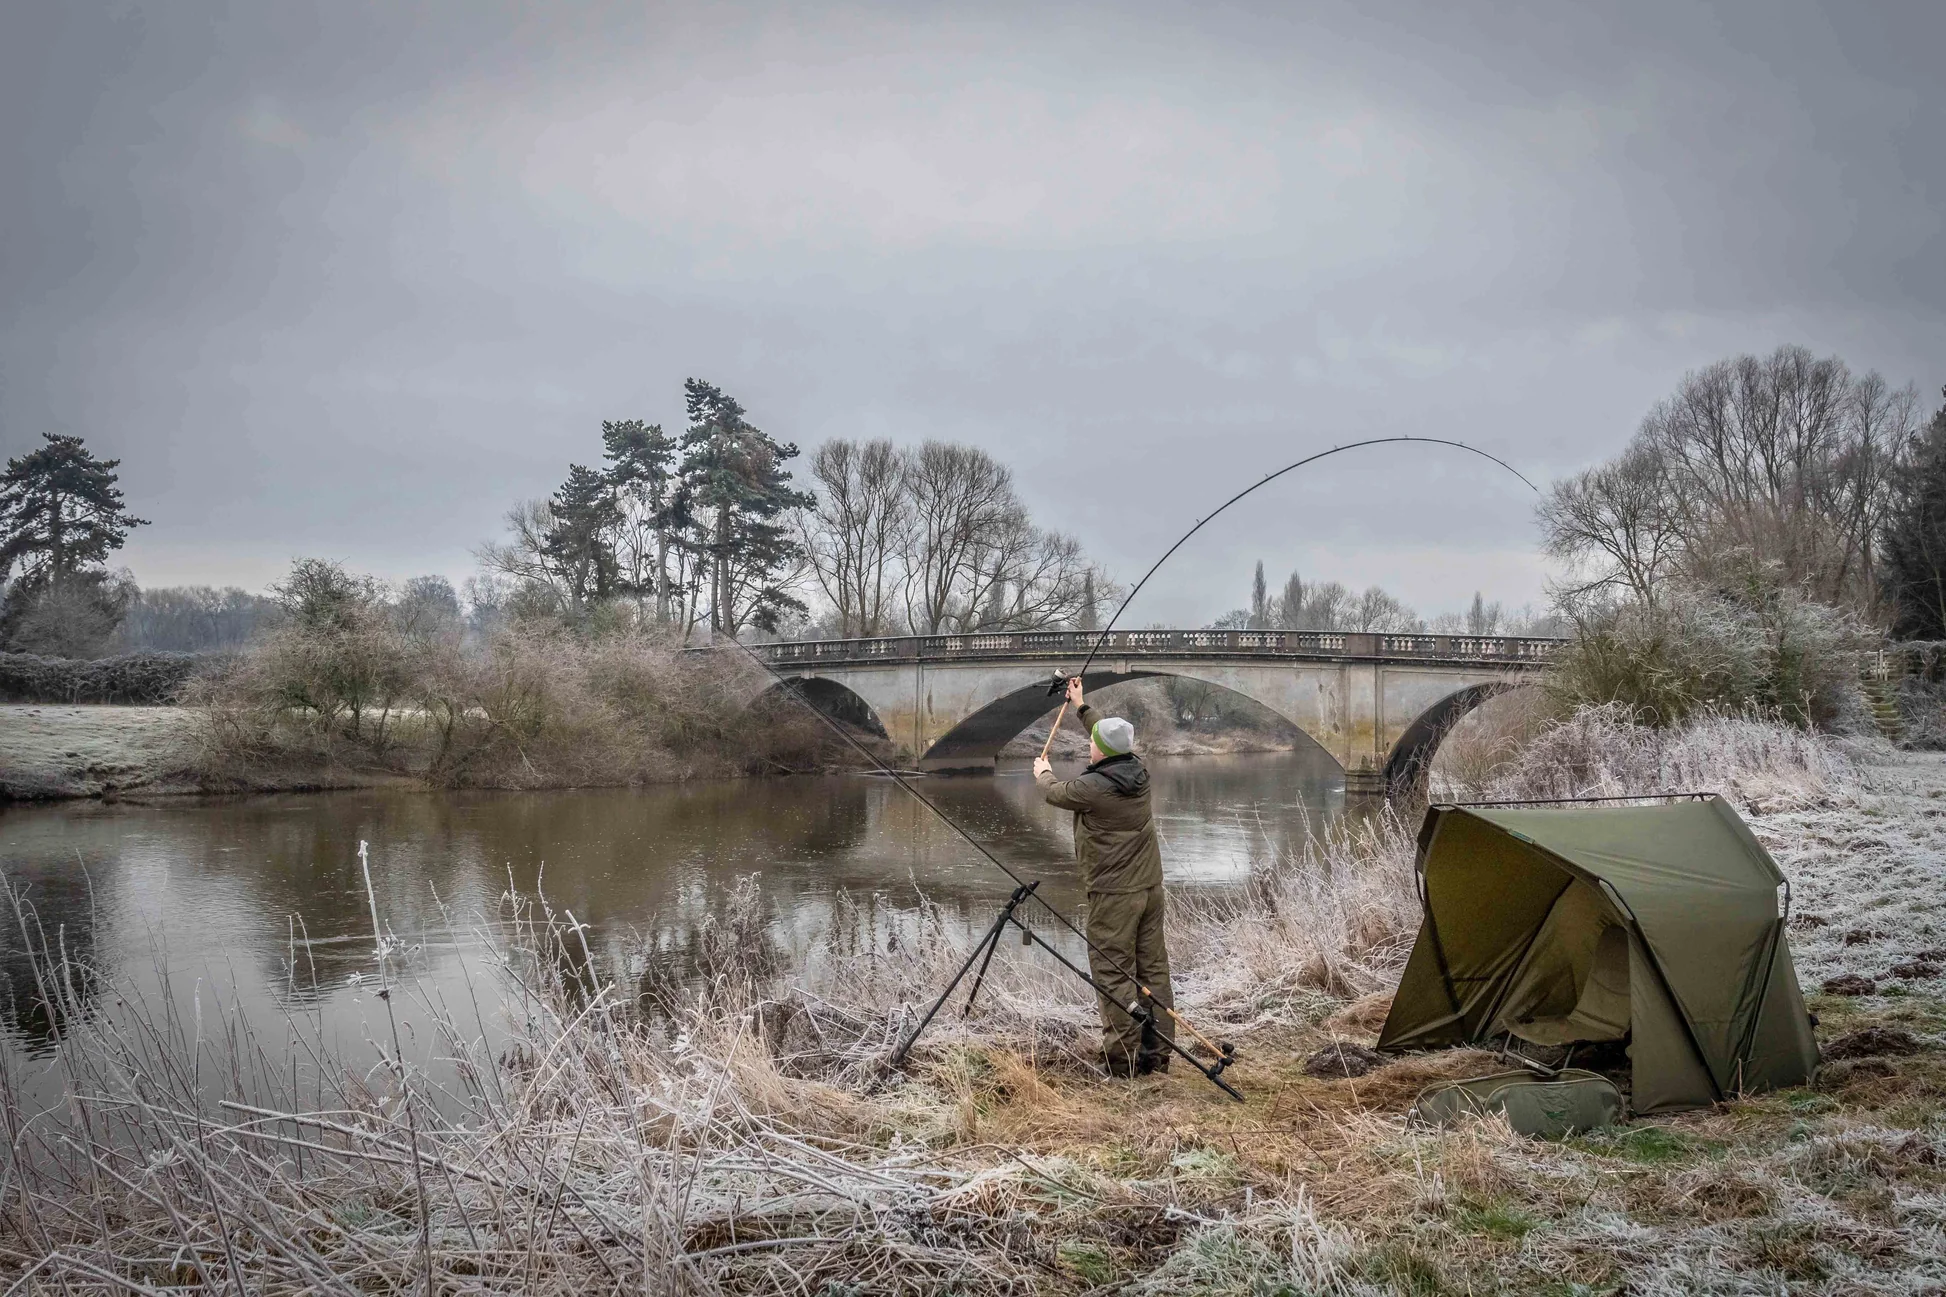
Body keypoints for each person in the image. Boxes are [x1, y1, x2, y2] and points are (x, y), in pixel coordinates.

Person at [1032, 676, 1176, 1076]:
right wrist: (1080, 704)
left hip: (1114, 896)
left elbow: (1054, 792)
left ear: (1103, 752)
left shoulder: (1092, 788)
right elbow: (1106, 734)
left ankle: (1122, 1060)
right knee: (1153, 971)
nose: (1089, 744)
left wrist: (1043, 770)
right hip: (1150, 890)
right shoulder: (1138, 773)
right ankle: (1157, 1054)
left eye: (1093, 743)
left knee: (1113, 974)